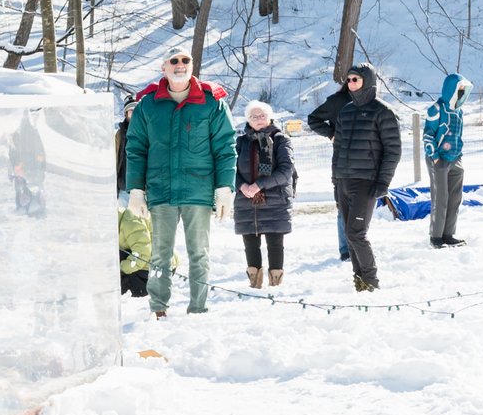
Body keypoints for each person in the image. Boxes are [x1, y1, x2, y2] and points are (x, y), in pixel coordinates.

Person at [122, 49, 234, 318]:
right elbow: (136, 148)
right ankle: (159, 308)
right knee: (159, 254)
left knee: (199, 254)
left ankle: (198, 307)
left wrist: (224, 187)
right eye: (174, 61)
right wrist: (136, 189)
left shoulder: (211, 103)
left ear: (192, 66)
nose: (180, 65)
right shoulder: (148, 105)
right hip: (161, 191)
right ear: (164, 68)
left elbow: (225, 147)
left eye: (185, 61)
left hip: (198, 190)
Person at [309, 62, 403, 293]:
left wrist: (383, 182)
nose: (350, 84)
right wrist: (336, 177)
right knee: (350, 234)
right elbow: (339, 147)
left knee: (356, 233)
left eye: (355, 79)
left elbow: (393, 150)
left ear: (367, 81)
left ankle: (371, 281)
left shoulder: (383, 112)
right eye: (348, 80)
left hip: (366, 182)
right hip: (343, 180)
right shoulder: (346, 111)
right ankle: (359, 281)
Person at [233, 101, 296, 288]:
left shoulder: (281, 140)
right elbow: (229, 169)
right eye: (254, 116)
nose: (259, 120)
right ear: (248, 120)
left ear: (269, 117)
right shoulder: (241, 142)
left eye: (262, 116)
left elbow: (286, 171)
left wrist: (259, 185)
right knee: (250, 242)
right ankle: (254, 283)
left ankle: (275, 284)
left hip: (275, 199)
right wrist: (241, 186)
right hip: (246, 200)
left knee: (275, 243)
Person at [426, 73, 470, 248]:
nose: (460, 93)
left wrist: (459, 155)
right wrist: (435, 158)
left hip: (456, 159)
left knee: (454, 199)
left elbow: (459, 134)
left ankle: (448, 234)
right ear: (450, 89)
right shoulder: (436, 109)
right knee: (440, 198)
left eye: (463, 90)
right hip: (439, 160)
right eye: (458, 89)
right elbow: (428, 135)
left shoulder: (459, 111)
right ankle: (435, 237)